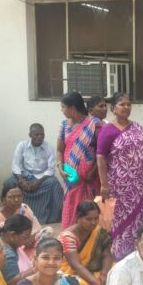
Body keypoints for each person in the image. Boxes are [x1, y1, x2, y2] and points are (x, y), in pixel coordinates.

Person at [97, 92, 143, 261]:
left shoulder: (138, 127)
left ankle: (135, 253)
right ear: (113, 108)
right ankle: (117, 255)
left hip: (138, 185)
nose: (126, 107)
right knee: (118, 220)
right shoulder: (107, 130)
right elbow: (100, 157)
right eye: (122, 104)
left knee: (138, 217)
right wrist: (104, 184)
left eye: (128, 104)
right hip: (118, 186)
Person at [57, 92, 100, 229]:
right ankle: (70, 235)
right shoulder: (64, 126)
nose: (61, 110)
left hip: (90, 179)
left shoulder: (94, 123)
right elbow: (59, 150)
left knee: (89, 211)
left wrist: (92, 171)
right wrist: (60, 168)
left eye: (63, 107)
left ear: (72, 108)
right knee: (71, 207)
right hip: (71, 178)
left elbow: (101, 151)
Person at [5, 123, 64, 224]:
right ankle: (11, 213)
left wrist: (38, 182)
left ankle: (52, 217)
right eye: (36, 134)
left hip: (42, 178)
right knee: (9, 183)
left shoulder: (49, 148)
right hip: (24, 175)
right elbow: (16, 165)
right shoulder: (22, 145)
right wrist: (21, 180)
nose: (40, 137)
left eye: (42, 134)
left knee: (54, 183)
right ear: (30, 135)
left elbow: (50, 169)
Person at [58, 201, 113, 285]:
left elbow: (107, 255)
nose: (93, 223)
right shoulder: (67, 237)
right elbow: (76, 266)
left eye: (96, 218)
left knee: (116, 272)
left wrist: (104, 276)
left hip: (95, 270)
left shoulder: (98, 231)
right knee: (72, 284)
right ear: (78, 218)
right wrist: (97, 284)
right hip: (74, 273)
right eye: (89, 219)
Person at [0, 184, 46, 248]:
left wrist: (30, 239)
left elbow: (36, 229)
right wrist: (22, 242)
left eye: (19, 196)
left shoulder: (24, 208)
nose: (16, 200)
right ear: (4, 199)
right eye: (11, 197)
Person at [0, 214, 35, 285]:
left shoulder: (7, 243)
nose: (28, 240)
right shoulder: (7, 253)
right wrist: (35, 269)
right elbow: (13, 281)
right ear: (12, 235)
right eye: (25, 237)